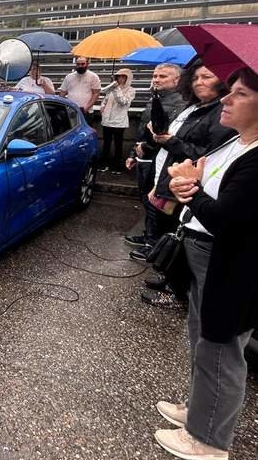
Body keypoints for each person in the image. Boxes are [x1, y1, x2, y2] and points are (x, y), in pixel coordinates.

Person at [154, 67, 258, 460]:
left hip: (237, 268)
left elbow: (230, 218)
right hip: (211, 257)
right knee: (203, 339)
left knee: (221, 348)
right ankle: (200, 409)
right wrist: (187, 181)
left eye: (240, 95)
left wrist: (188, 193)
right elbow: (208, 177)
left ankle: (209, 439)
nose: (226, 99)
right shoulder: (243, 141)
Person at [140, 61, 235, 304]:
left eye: (207, 77)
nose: (199, 82)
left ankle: (176, 293)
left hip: (186, 186)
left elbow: (207, 153)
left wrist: (170, 141)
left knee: (176, 235)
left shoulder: (218, 113)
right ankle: (169, 279)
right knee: (167, 233)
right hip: (169, 179)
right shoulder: (193, 108)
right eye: (195, 78)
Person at [123, 63, 185, 252]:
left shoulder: (180, 104)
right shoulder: (154, 99)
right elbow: (144, 130)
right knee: (146, 198)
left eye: (163, 76)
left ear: (177, 80)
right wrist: (134, 153)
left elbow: (168, 136)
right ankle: (149, 235)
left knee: (157, 202)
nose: (156, 79)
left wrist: (146, 147)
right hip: (144, 157)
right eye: (155, 76)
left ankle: (154, 244)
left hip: (159, 160)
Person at [98, 68, 135, 172]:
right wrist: (102, 106)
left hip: (119, 122)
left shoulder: (131, 90)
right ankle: (104, 164)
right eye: (118, 76)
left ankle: (117, 166)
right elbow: (105, 98)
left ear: (127, 78)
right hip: (107, 121)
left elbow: (123, 102)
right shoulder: (112, 87)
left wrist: (117, 89)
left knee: (118, 145)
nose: (120, 78)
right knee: (106, 144)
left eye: (123, 76)